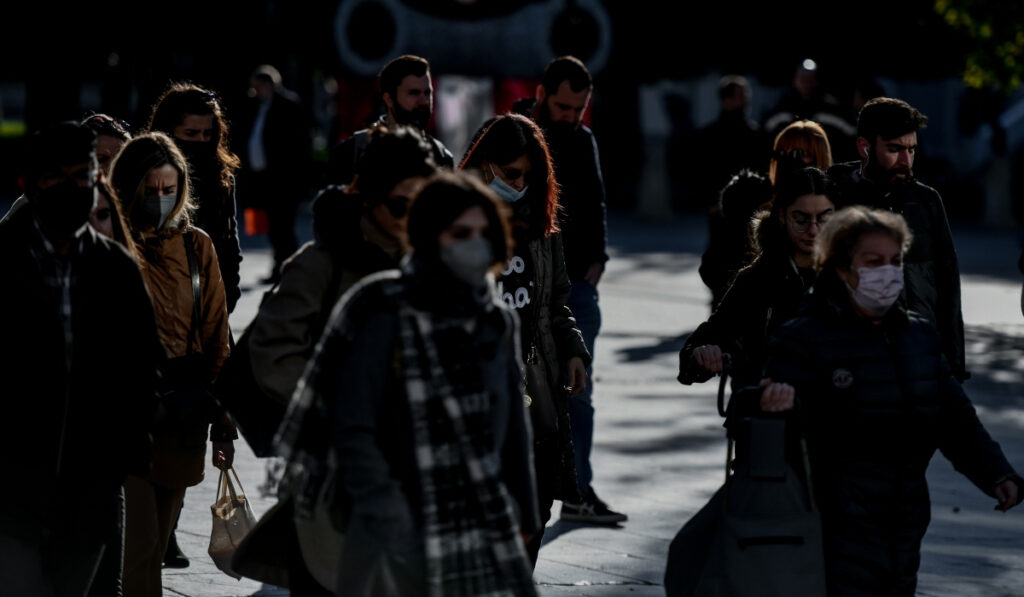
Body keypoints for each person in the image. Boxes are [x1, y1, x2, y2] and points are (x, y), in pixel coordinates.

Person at [278, 171, 539, 595]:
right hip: (392, 535)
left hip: (481, 521)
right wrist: (392, 519)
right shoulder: (382, 307)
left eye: (483, 232)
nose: (475, 243)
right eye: (460, 233)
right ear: (430, 235)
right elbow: (353, 428)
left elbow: (513, 431)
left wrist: (525, 515)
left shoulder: (495, 319)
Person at [759, 205, 1022, 595]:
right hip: (832, 521)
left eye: (895, 260)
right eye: (874, 261)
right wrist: (772, 407)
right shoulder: (803, 338)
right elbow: (768, 430)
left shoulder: (919, 337)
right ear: (841, 268)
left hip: (905, 517)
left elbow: (955, 418)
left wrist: (996, 473)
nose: (888, 271)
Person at [241, 126, 437, 595]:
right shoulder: (323, 262)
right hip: (336, 482)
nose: (411, 218)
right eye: (399, 204)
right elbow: (272, 353)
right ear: (368, 197)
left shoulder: (436, 265)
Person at [0, 121, 161, 596]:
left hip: (89, 498)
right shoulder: (4, 262)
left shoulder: (116, 270)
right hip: (10, 499)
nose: (70, 189)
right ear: (27, 184)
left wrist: (123, 459)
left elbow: (140, 372)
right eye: (54, 177)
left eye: (81, 175)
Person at [460, 112, 591, 564]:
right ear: (487, 164)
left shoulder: (539, 219)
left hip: (536, 387)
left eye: (528, 177)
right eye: (512, 173)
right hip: (479, 394)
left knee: (535, 508)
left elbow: (556, 300)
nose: (519, 184)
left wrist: (573, 348)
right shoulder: (456, 219)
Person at [109, 132, 234, 596]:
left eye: (169, 190)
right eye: (150, 190)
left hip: (181, 415)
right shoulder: (110, 242)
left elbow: (217, 336)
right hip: (123, 413)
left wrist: (223, 424)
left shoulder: (196, 246)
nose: (160, 200)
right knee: (138, 546)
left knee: (155, 549)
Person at [515, 55, 621, 525]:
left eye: (579, 109)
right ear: (541, 94)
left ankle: (577, 491)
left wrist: (597, 262)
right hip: (519, 282)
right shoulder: (511, 131)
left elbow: (596, 201)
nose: (570, 117)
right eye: (562, 106)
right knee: (518, 389)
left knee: (578, 391)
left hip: (575, 284)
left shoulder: (584, 139)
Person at [827, 97, 967, 380]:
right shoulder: (835, 196)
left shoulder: (927, 202)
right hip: (855, 357)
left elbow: (948, 287)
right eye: (895, 149)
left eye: (912, 150)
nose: (906, 160)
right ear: (865, 147)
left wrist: (953, 364)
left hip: (921, 354)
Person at [679, 167, 836, 391]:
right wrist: (702, 354)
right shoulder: (759, 277)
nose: (813, 230)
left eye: (824, 219)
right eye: (801, 220)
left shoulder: (849, 277)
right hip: (763, 411)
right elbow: (705, 341)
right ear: (782, 215)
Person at [700, 119, 832, 311]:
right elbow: (714, 266)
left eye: (801, 155)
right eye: (783, 154)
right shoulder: (751, 198)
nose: (791, 162)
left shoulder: (837, 202)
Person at [145, 83, 243, 313]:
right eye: (190, 134)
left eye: (207, 134)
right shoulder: (149, 176)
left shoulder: (221, 177)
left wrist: (229, 293)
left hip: (212, 302)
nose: (200, 141)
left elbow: (229, 243)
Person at [235, 64, 311, 284]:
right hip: (263, 178)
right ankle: (280, 267)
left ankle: (290, 270)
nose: (256, 91)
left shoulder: (288, 106)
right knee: (273, 228)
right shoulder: (256, 106)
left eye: (259, 86)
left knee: (283, 228)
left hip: (283, 180)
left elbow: (298, 145)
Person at [327, 54, 454, 186]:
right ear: (389, 99)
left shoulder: (441, 157)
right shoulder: (351, 153)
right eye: (413, 93)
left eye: (427, 93)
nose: (424, 102)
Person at [688, 75, 764, 211]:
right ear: (726, 100)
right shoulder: (710, 135)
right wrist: (711, 201)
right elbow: (702, 170)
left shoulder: (754, 132)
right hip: (720, 207)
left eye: (746, 94)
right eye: (740, 95)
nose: (746, 99)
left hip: (749, 206)